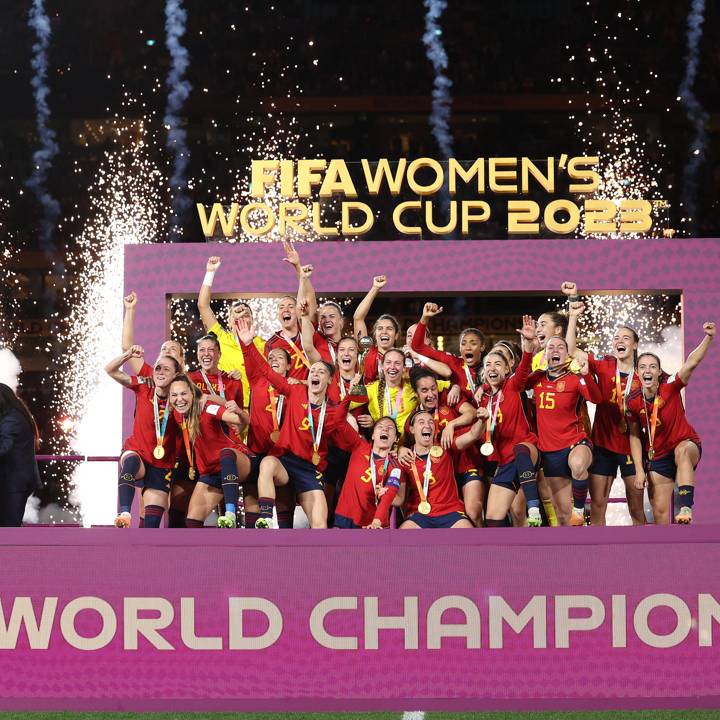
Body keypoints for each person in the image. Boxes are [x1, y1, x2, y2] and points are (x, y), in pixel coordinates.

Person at [236, 317, 353, 529]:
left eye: (321, 372)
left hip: (309, 469)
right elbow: (266, 371)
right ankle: (265, 519)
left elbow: (338, 422)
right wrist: (248, 344)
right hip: (285, 460)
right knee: (267, 464)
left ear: (329, 380)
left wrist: (349, 396)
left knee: (320, 525)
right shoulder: (295, 391)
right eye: (312, 371)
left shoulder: (333, 409)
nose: (315, 374)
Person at [627, 322, 714, 525]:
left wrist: (708, 338)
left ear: (659, 372)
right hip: (657, 454)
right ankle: (662, 553)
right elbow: (634, 436)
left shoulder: (670, 387)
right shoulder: (632, 401)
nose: (647, 370)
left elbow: (691, 363)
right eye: (643, 367)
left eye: (652, 367)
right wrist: (639, 469)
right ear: (638, 373)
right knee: (659, 512)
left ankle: (685, 506)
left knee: (682, 452)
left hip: (685, 442)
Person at [566, 302, 645, 525]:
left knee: (636, 507)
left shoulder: (645, 373)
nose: (619, 341)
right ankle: (598, 556)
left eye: (626, 338)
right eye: (616, 338)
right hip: (602, 445)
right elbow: (571, 351)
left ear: (636, 345)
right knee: (598, 506)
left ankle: (645, 555)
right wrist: (573, 317)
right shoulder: (604, 366)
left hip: (632, 447)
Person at [525, 337, 603, 526]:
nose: (555, 350)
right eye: (550, 347)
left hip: (575, 442)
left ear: (567, 355)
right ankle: (574, 551)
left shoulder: (575, 380)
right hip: (549, 450)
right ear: (545, 355)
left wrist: (586, 375)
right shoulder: (536, 379)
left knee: (578, 465)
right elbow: (517, 385)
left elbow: (597, 399)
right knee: (562, 517)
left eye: (560, 347)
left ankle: (579, 508)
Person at [474, 315, 542, 527]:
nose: (492, 368)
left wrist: (529, 346)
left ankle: (534, 508)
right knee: (493, 519)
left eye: (498, 364)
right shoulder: (483, 398)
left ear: (506, 370)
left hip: (527, 449)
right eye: (488, 365)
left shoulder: (513, 385)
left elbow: (523, 369)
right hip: (505, 462)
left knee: (520, 450)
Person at [105, 346, 182, 528]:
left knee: (150, 526)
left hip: (162, 465)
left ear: (175, 375)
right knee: (130, 462)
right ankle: (124, 513)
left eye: (166, 369)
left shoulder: (181, 397)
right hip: (137, 452)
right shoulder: (143, 386)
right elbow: (110, 370)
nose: (160, 372)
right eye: (157, 368)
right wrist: (127, 355)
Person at [168, 374, 251, 528]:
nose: (179, 399)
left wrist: (238, 411)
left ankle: (230, 514)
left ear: (193, 393)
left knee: (225, 454)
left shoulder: (208, 408)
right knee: (192, 522)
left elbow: (243, 420)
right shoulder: (177, 414)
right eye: (174, 395)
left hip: (236, 462)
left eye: (184, 394)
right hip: (211, 473)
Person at [408, 367, 482, 525]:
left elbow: (472, 413)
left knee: (473, 512)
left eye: (433, 388)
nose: (430, 394)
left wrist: (452, 425)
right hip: (438, 473)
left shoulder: (448, 398)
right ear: (416, 394)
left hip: (464, 464)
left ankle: (483, 545)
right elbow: (406, 445)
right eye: (424, 390)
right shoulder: (413, 418)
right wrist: (400, 450)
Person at [197, 256, 266, 409]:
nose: (241, 317)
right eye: (237, 314)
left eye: (246, 315)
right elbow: (203, 305)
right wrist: (210, 272)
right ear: (229, 321)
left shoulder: (264, 345)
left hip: (256, 410)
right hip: (226, 408)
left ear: (252, 321)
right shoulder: (220, 337)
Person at [399, 409, 475, 529]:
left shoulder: (445, 446)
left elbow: (472, 435)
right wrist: (399, 449)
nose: (427, 425)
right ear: (412, 430)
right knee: (402, 537)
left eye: (430, 422)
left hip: (450, 511)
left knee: (469, 535)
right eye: (421, 422)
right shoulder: (405, 458)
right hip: (420, 514)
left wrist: (482, 420)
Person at [332, 417, 405, 528]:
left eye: (390, 428)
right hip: (345, 517)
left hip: (373, 524)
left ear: (395, 438)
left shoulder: (395, 466)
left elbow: (391, 494)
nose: (385, 429)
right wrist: (349, 398)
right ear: (372, 435)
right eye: (380, 427)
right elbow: (339, 419)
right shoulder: (359, 447)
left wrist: (377, 520)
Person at [410, 303, 487, 402]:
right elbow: (417, 347)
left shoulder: (491, 366)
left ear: (482, 347)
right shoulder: (454, 362)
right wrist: (425, 318)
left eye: (473, 343)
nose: (467, 347)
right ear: (459, 348)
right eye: (463, 344)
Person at [0, 384, 41, 526]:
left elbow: (4, 448)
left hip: (13, 483)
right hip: (16, 481)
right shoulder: (15, 415)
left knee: (8, 526)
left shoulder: (11, 420)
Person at [352, 275, 402, 383]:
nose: (384, 332)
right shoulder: (367, 351)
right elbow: (358, 318)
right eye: (380, 328)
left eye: (389, 328)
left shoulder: (402, 358)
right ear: (375, 334)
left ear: (396, 335)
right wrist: (375, 288)